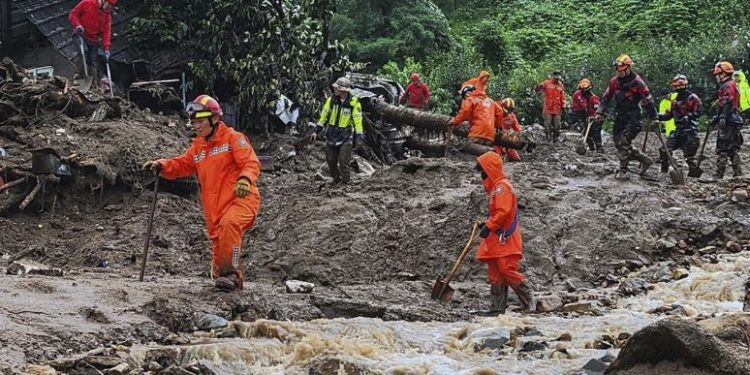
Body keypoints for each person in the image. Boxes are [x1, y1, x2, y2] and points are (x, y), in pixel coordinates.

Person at [142, 95, 261, 291]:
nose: (196, 126)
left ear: (214, 119)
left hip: (240, 199)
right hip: (214, 207)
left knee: (229, 225)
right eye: (194, 122)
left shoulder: (233, 138)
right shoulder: (199, 147)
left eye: (200, 121)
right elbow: (182, 164)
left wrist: (245, 179)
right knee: (218, 250)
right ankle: (231, 287)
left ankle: (230, 275)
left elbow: (250, 162)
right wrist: (162, 165)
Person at [475, 151, 534, 313]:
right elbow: (499, 213)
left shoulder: (502, 187)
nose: (481, 174)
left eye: (483, 170)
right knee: (495, 272)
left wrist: (490, 225)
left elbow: (503, 212)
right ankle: (497, 309)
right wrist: (486, 224)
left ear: (490, 169)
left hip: (505, 236)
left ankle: (529, 301)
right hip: (498, 237)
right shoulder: (497, 187)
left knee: (506, 269)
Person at [595, 54, 658, 180]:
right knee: (618, 142)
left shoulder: (638, 82)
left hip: (634, 114)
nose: (620, 73)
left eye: (622, 70)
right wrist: (600, 111)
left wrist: (653, 116)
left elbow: (648, 99)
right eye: (618, 70)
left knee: (624, 141)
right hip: (620, 114)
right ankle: (644, 159)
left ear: (628, 68)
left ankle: (623, 170)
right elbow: (606, 98)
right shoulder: (614, 82)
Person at [312, 76, 364, 184]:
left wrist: (359, 137)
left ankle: (346, 183)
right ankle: (337, 179)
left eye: (337, 88)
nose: (335, 89)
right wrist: (316, 130)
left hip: (346, 135)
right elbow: (324, 116)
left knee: (344, 161)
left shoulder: (354, 102)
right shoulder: (331, 100)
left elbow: (358, 121)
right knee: (330, 160)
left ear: (344, 90)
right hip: (331, 134)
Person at [657, 75, 702, 177]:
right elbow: (669, 116)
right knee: (664, 149)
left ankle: (695, 176)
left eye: (681, 86)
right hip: (678, 131)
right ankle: (664, 171)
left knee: (689, 157)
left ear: (686, 85)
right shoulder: (675, 101)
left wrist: (689, 116)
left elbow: (698, 112)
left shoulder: (693, 98)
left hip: (690, 131)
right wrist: (657, 117)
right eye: (677, 87)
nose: (680, 88)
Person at [69, 0, 116, 80]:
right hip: (80, 34)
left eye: (111, 6)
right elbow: (73, 14)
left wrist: (106, 48)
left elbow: (106, 32)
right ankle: (79, 77)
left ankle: (92, 82)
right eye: (109, 5)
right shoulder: (86, 3)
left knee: (93, 62)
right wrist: (77, 25)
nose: (109, 7)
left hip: (93, 40)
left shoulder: (107, 15)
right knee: (84, 52)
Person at [712, 61, 744, 178]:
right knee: (732, 149)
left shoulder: (726, 85)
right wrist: (717, 118)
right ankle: (738, 174)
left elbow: (727, 102)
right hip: (735, 120)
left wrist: (723, 117)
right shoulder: (733, 84)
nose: (716, 77)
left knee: (722, 148)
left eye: (717, 74)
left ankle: (718, 175)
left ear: (723, 74)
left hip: (729, 121)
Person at [535, 71, 566, 143]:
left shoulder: (560, 85)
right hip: (548, 108)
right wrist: (537, 86)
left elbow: (562, 97)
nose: (556, 79)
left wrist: (563, 105)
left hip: (557, 108)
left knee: (557, 126)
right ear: (553, 76)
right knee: (547, 124)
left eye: (558, 78)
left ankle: (555, 139)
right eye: (555, 78)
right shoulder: (546, 83)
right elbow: (537, 89)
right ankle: (548, 139)